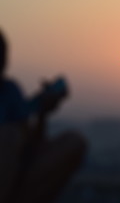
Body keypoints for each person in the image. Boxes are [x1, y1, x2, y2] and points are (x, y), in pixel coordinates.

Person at [0, 29, 87, 203]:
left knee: (74, 142)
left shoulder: (9, 90)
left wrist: (42, 114)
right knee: (9, 135)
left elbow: (31, 147)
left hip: (15, 178)